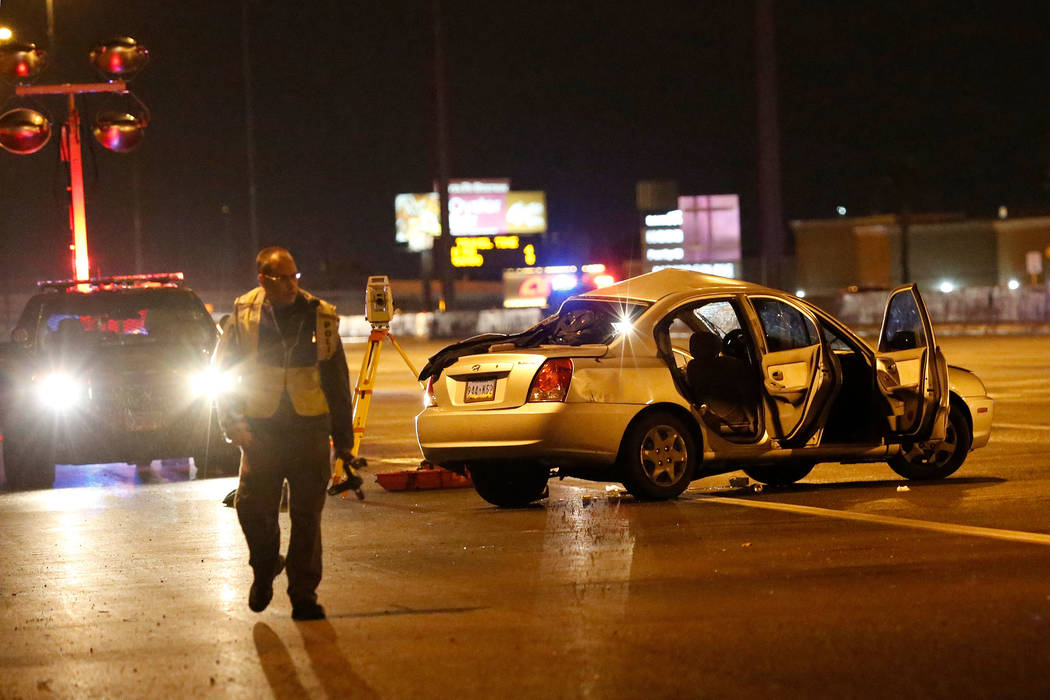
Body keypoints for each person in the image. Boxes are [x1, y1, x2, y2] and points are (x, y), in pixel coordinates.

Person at [214, 246, 359, 621]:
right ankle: (265, 567)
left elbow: (336, 378)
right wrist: (231, 423)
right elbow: (223, 372)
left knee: (307, 516)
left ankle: (303, 595)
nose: (292, 285)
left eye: (296, 276)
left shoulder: (319, 315)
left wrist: (343, 439)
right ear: (263, 279)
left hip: (309, 428)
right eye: (283, 278)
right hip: (261, 430)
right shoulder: (244, 314)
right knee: (250, 506)